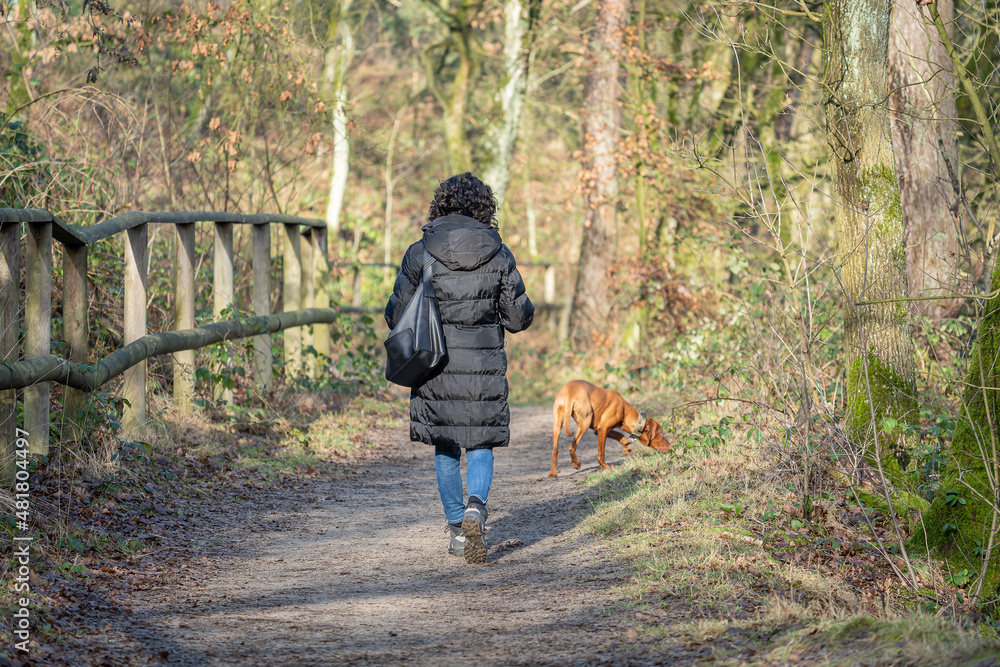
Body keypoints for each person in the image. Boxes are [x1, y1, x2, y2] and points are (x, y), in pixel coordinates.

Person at [384, 172, 534, 564]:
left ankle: (456, 531)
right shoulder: (499, 254)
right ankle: (475, 510)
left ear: (441, 204)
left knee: (445, 446)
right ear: (484, 207)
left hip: (434, 363)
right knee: (480, 443)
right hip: (483, 365)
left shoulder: (420, 252)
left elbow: (395, 314)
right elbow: (517, 319)